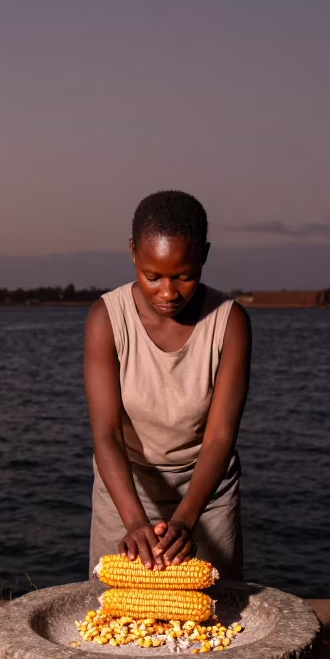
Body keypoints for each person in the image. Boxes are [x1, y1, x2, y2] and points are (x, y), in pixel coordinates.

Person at [83, 190, 251, 580]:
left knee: (215, 622)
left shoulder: (230, 322)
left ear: (204, 256)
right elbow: (106, 433)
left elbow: (219, 438)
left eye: (184, 276)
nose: (168, 293)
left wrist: (186, 522)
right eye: (152, 276)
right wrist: (134, 522)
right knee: (117, 624)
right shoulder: (106, 319)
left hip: (205, 494)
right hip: (126, 487)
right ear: (133, 254)